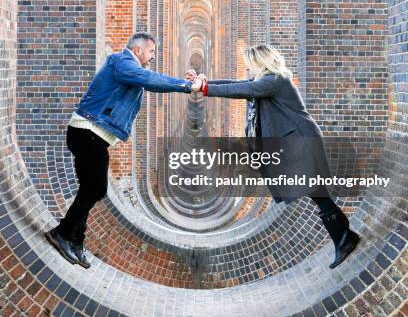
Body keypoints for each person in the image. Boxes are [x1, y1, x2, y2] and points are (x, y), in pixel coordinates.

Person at [186, 44, 360, 269]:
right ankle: (345, 237)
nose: (249, 71)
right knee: (317, 192)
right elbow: (240, 85)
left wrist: (205, 88)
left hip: (300, 142)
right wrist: (203, 83)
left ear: (261, 64)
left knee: (317, 192)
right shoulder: (266, 81)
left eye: (251, 66)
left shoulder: (275, 80)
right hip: (294, 142)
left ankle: (344, 240)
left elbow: (242, 90)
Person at [45, 32, 202, 268]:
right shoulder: (123, 62)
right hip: (88, 132)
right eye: (151, 52)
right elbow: (149, 79)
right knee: (97, 187)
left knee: (89, 188)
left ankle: (76, 239)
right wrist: (186, 86)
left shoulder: (127, 66)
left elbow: (147, 78)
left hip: (90, 134)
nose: (153, 56)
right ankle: (64, 233)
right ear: (138, 50)